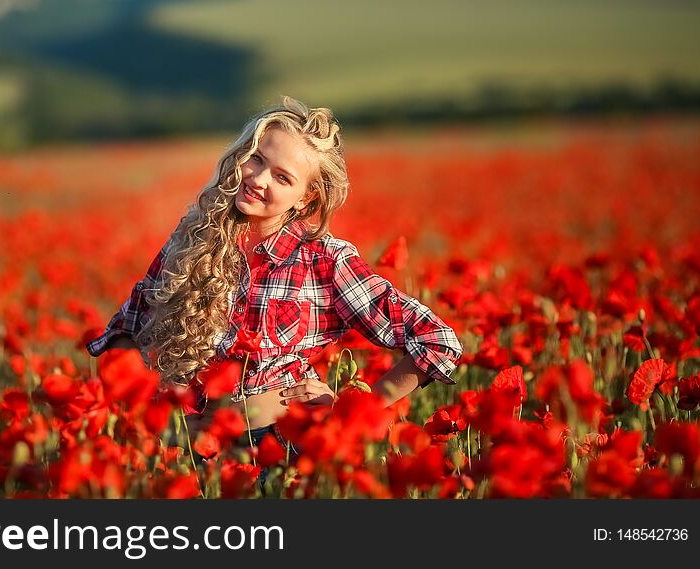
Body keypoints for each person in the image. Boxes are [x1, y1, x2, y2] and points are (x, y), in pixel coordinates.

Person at [85, 96, 463, 492]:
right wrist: (157, 405)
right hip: (185, 454)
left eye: (283, 177)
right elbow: (125, 329)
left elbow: (437, 340)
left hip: (279, 454)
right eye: (257, 159)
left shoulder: (324, 260)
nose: (259, 179)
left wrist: (352, 413)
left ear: (306, 198)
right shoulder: (192, 240)